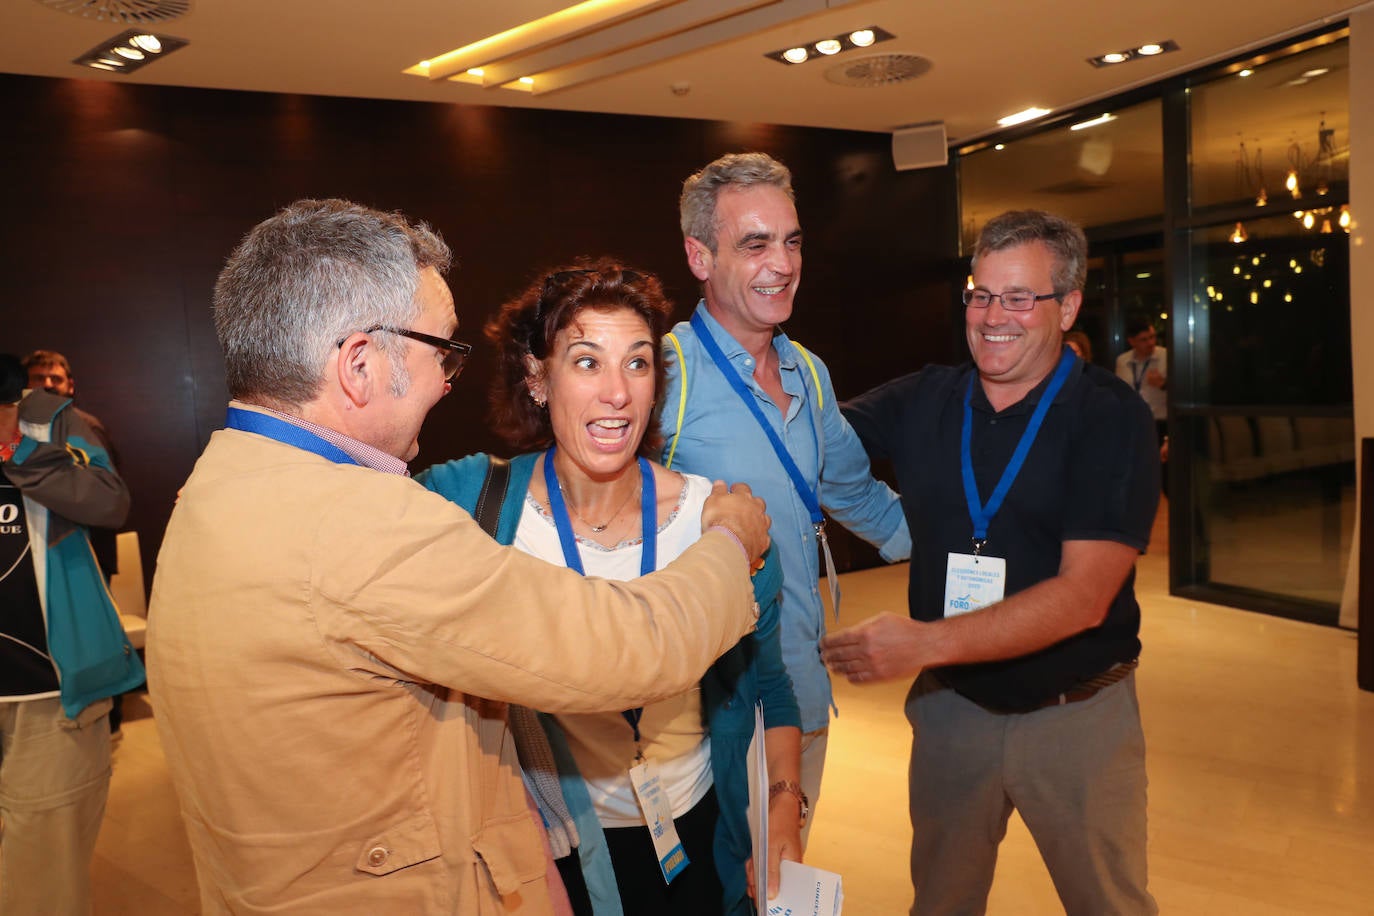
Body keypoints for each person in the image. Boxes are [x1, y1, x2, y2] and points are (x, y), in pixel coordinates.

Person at [146, 199, 773, 915]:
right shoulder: (362, 522)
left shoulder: (214, 487)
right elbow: (628, 648)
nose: (447, 380)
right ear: (358, 364)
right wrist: (727, 538)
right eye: (439, 351)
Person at [420, 260, 803, 915]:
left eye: (638, 362)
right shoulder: (476, 508)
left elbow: (771, 687)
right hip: (553, 843)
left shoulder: (721, 525)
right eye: (587, 362)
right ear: (537, 378)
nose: (618, 393)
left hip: (700, 825)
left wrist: (784, 821)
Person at [821, 209, 1161, 915]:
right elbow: (809, 443)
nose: (992, 315)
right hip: (954, 711)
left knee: (1109, 904)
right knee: (941, 902)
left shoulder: (1108, 417)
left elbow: (1083, 597)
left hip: (1078, 718)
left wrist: (922, 642)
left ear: (1067, 306)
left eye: (1018, 298)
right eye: (981, 294)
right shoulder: (929, 396)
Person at [660, 152, 910, 838]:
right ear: (699, 257)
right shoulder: (661, 377)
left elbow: (861, 499)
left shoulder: (809, 371)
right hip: (705, 713)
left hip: (799, 694)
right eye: (755, 243)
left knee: (786, 887)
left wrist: (977, 553)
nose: (783, 262)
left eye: (792, 240)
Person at [0, 352, 143, 914]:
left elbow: (111, 502)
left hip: (47, 689)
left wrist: (13, 446)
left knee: (43, 879)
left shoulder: (51, 419)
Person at [22, 348, 130, 738]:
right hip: (42, 554)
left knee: (96, 633)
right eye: (39, 378)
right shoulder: (15, 428)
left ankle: (109, 720)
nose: (48, 385)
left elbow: (109, 495)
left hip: (88, 549)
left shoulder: (84, 425)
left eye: (55, 379)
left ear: (71, 386)